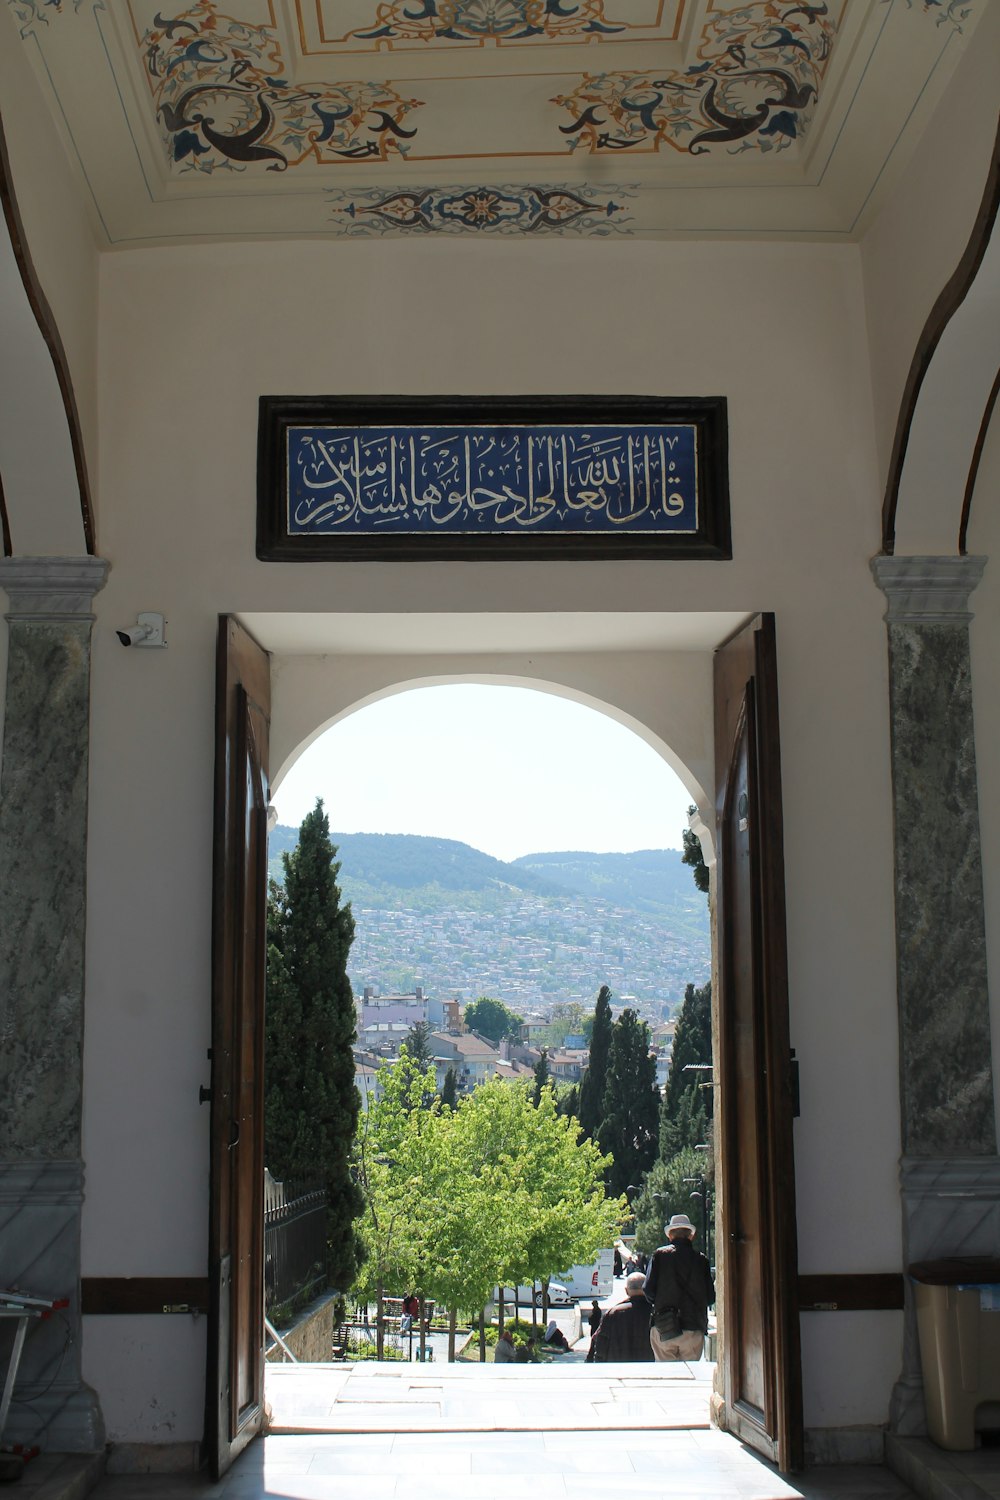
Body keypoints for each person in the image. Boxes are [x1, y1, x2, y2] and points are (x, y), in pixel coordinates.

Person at [643, 1213, 715, 1363]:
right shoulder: (701, 1260)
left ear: (670, 1236)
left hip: (664, 1325)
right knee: (691, 1376)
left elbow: (648, 1290)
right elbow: (710, 1298)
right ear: (691, 1236)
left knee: (666, 1376)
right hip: (693, 1326)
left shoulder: (659, 1256)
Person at [589, 1272, 656, 1363]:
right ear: (647, 1288)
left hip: (618, 1370)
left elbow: (600, 1345)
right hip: (650, 1370)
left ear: (626, 1291)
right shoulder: (655, 1312)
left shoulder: (612, 1313)